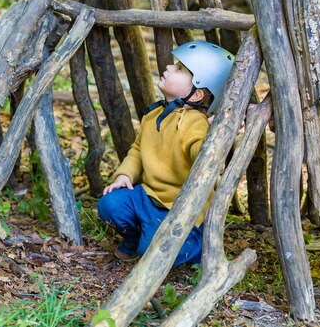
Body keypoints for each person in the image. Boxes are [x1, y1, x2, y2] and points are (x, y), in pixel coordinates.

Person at [96, 40, 235, 265]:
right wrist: (124, 175)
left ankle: (195, 246)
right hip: (148, 197)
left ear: (198, 93)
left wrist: (218, 136)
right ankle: (137, 235)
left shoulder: (196, 124)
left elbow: (203, 155)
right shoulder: (155, 114)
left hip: (179, 208)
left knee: (152, 250)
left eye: (179, 69)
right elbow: (138, 149)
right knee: (109, 205)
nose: (169, 68)